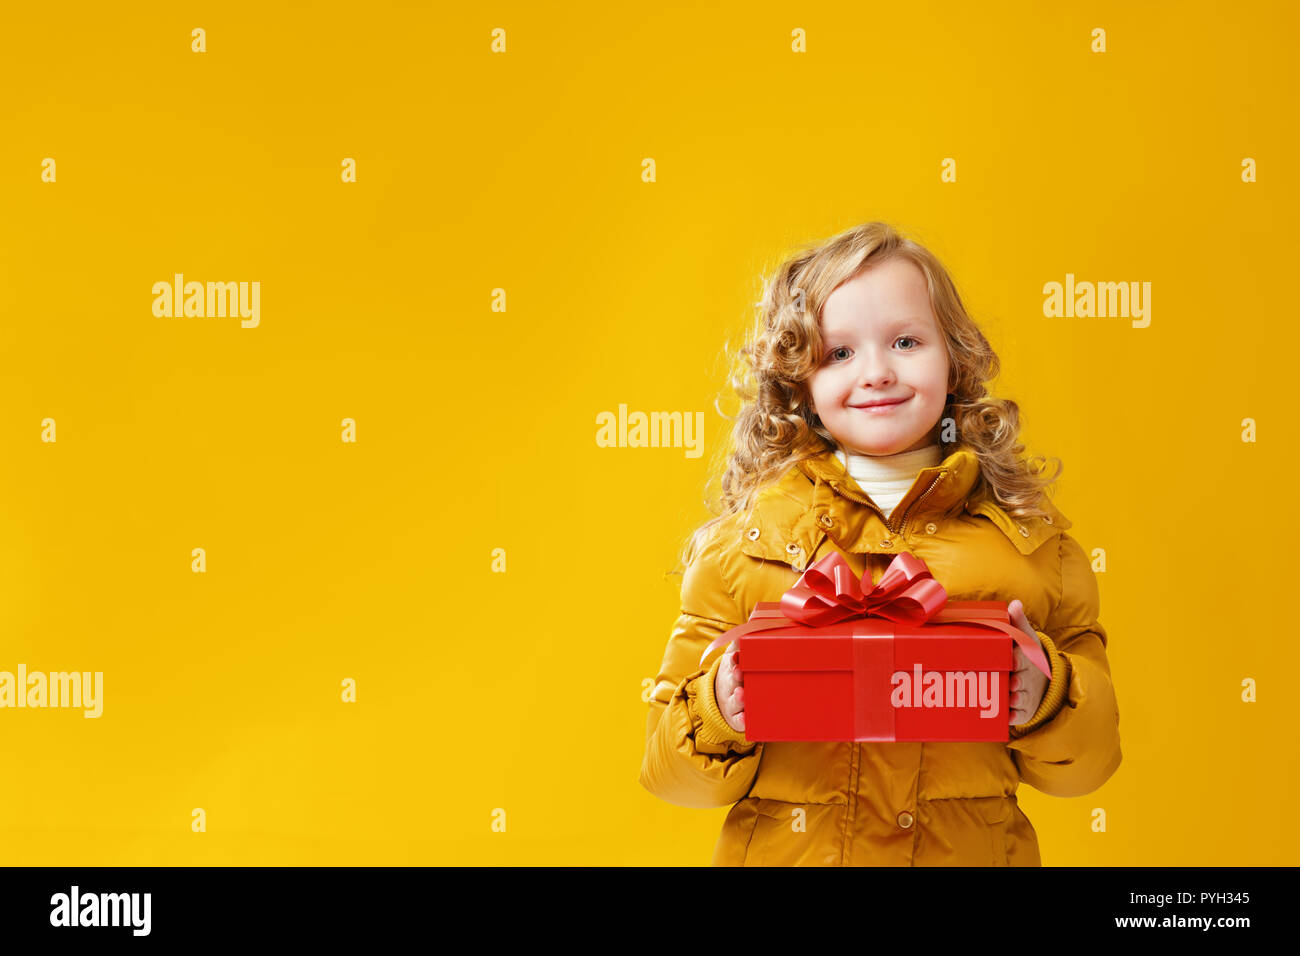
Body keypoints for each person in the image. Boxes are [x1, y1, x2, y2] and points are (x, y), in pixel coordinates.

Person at [639, 221, 1121, 866]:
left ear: (955, 357)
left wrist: (1049, 699)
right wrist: (717, 710)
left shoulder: (1033, 548)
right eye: (839, 353)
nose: (877, 372)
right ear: (797, 380)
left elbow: (1085, 769)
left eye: (905, 341)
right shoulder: (741, 549)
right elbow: (671, 775)